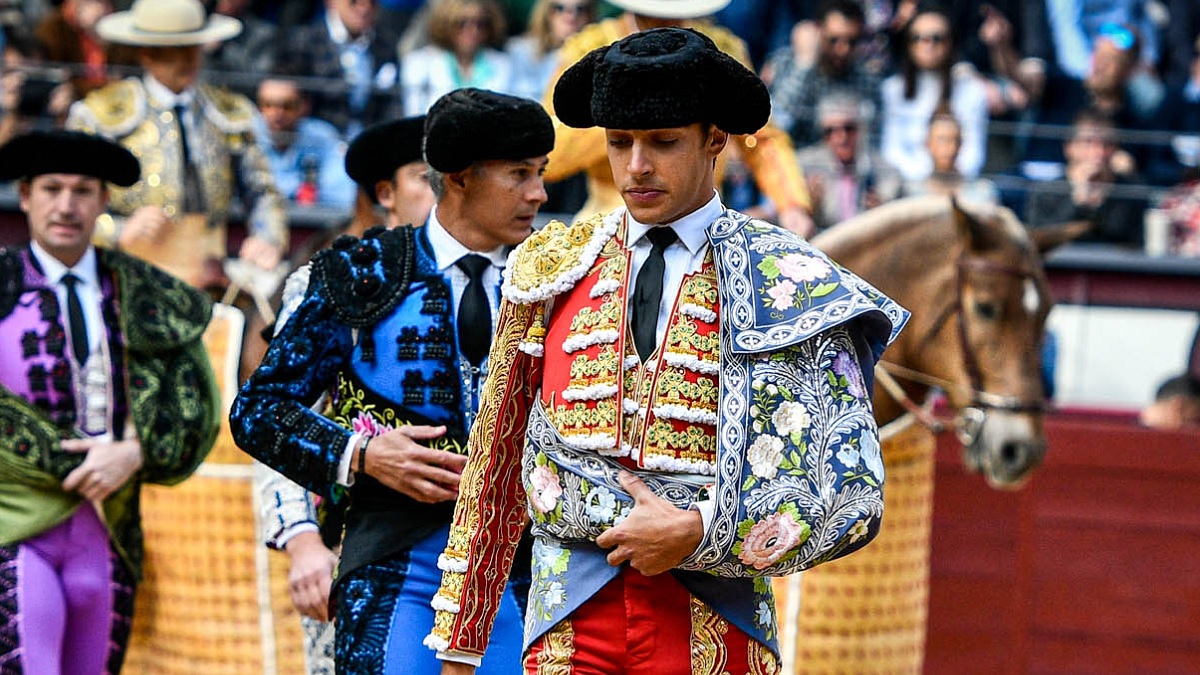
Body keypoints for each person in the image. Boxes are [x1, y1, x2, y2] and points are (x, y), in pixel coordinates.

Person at [427, 28, 908, 673]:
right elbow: (495, 466)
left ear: (716, 140)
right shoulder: (554, 267)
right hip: (568, 622)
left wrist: (704, 531)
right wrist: (462, 642)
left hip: (715, 618)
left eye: (663, 142)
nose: (636, 167)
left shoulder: (790, 280)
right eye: (620, 143)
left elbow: (854, 495)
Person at [231, 88, 555, 675]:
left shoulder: (557, 281)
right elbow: (258, 410)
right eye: (518, 175)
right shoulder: (363, 271)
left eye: (539, 173)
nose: (539, 193)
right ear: (458, 178)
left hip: (523, 570)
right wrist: (361, 454)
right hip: (393, 563)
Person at [0, 130, 220, 674]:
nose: (67, 205)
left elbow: (194, 405)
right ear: (25, 196)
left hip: (110, 532)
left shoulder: (146, 291)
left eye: (83, 191)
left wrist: (135, 451)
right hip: (11, 525)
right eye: (52, 189)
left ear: (104, 201)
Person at [253, 114, 435, 675]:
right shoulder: (334, 282)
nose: (447, 190)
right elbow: (279, 418)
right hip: (351, 543)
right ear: (386, 194)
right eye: (427, 177)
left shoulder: (513, 281)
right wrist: (303, 539)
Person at [542, 0, 816, 237]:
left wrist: (791, 204)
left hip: (703, 221)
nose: (666, 22)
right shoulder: (591, 47)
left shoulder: (718, 48)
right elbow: (548, 154)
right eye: (620, 141)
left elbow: (760, 136)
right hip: (608, 218)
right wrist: (618, 113)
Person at [65, 0, 288, 288]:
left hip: (208, 279)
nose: (186, 60)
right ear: (146, 54)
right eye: (172, 51)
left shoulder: (229, 113)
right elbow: (71, 197)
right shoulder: (100, 115)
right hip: (123, 276)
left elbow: (262, 192)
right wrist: (115, 230)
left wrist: (266, 237)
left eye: (191, 47)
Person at [880, 3, 990, 184]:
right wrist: (925, 181)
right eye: (919, 38)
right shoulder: (892, 90)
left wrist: (943, 178)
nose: (928, 45)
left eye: (937, 38)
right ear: (908, 44)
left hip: (957, 184)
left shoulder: (973, 91)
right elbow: (891, 151)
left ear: (951, 42)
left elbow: (973, 156)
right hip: (907, 187)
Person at [1023, 106, 1148, 246]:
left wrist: (1101, 202)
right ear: (1069, 148)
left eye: (1107, 144)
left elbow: (1136, 246)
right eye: (1088, 142)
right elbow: (1040, 243)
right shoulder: (1045, 193)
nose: (1099, 152)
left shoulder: (1131, 192)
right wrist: (1078, 200)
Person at [765, 0, 882, 149]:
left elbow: (872, 143)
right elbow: (775, 124)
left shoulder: (866, 81)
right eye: (833, 40)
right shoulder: (786, 63)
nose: (843, 49)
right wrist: (804, 65)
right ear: (818, 32)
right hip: (793, 162)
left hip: (843, 169)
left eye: (851, 42)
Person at [281, 0, 403, 139]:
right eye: (354, 2)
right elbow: (295, 103)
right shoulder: (304, 41)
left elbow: (393, 106)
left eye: (372, 2)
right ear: (331, 2)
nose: (364, 8)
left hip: (370, 143)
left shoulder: (386, 46)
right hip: (317, 143)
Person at [797, 91, 903, 231]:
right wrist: (808, 206)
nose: (841, 137)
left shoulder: (885, 173)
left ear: (862, 128)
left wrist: (882, 212)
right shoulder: (804, 166)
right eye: (830, 131)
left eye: (849, 128)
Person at [254, 75, 356, 209]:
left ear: (304, 106)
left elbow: (343, 195)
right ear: (258, 107)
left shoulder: (321, 136)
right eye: (268, 105)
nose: (277, 113)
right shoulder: (247, 134)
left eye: (287, 106)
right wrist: (298, 190)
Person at [401, 0, 513, 116]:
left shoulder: (504, 64)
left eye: (480, 24)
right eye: (462, 23)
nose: (473, 31)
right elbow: (414, 114)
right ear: (446, 24)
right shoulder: (419, 63)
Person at [505, 0, 595, 103]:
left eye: (581, 9)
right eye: (559, 8)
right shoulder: (518, 50)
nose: (571, 17)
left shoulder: (596, 58)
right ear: (546, 13)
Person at [904, 108, 1000, 204]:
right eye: (942, 140)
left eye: (955, 140)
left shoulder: (981, 192)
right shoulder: (912, 193)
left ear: (960, 145)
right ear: (927, 143)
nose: (949, 148)